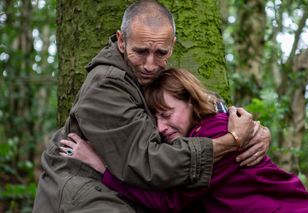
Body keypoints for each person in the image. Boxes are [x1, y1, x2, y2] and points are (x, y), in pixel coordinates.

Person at [32, 1, 270, 212]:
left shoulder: (146, 75)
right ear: (122, 41)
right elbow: (148, 162)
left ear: (172, 46)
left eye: (160, 53)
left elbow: (205, 103)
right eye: (141, 52)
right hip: (83, 189)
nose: (150, 64)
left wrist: (254, 130)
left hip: (119, 187)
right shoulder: (106, 85)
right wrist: (234, 140)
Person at [62, 68, 308, 213]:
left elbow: (170, 202)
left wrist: (102, 168)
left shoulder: (219, 130)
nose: (161, 128)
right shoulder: (196, 136)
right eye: (155, 121)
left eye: (167, 114)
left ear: (190, 100)